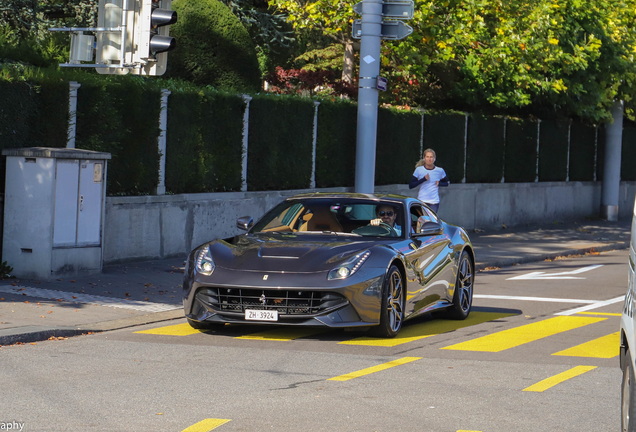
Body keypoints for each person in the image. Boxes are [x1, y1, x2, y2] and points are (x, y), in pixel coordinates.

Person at [409, 148, 449, 213]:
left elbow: (447, 182)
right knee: (423, 220)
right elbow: (411, 185)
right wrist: (423, 179)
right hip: (422, 200)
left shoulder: (439, 170)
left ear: (434, 158)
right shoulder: (419, 170)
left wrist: (440, 183)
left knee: (431, 221)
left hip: (434, 201)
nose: (429, 159)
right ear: (424, 158)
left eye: (431, 157)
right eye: (427, 157)